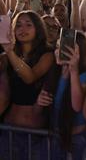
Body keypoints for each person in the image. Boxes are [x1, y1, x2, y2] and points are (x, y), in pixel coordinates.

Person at [0, 10, 54, 159]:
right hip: (9, 130)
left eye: (28, 25)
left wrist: (10, 53)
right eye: (18, 26)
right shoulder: (6, 57)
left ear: (38, 28)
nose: (22, 29)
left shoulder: (48, 54)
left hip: (36, 135)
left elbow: (30, 77)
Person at [36, 31, 86, 160]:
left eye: (67, 47)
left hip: (76, 140)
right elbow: (40, 108)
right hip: (53, 136)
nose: (60, 51)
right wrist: (40, 101)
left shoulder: (85, 76)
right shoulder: (53, 72)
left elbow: (77, 106)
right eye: (58, 46)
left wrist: (73, 70)